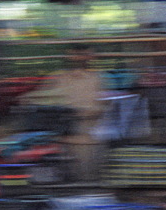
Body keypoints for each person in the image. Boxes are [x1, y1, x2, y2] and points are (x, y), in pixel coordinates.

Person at [20, 43, 110, 182]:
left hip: (88, 137)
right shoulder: (57, 78)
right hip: (61, 138)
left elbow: (104, 105)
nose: (83, 58)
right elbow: (39, 100)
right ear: (70, 55)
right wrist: (27, 99)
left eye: (87, 54)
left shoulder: (98, 78)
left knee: (87, 179)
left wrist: (85, 113)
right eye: (78, 54)